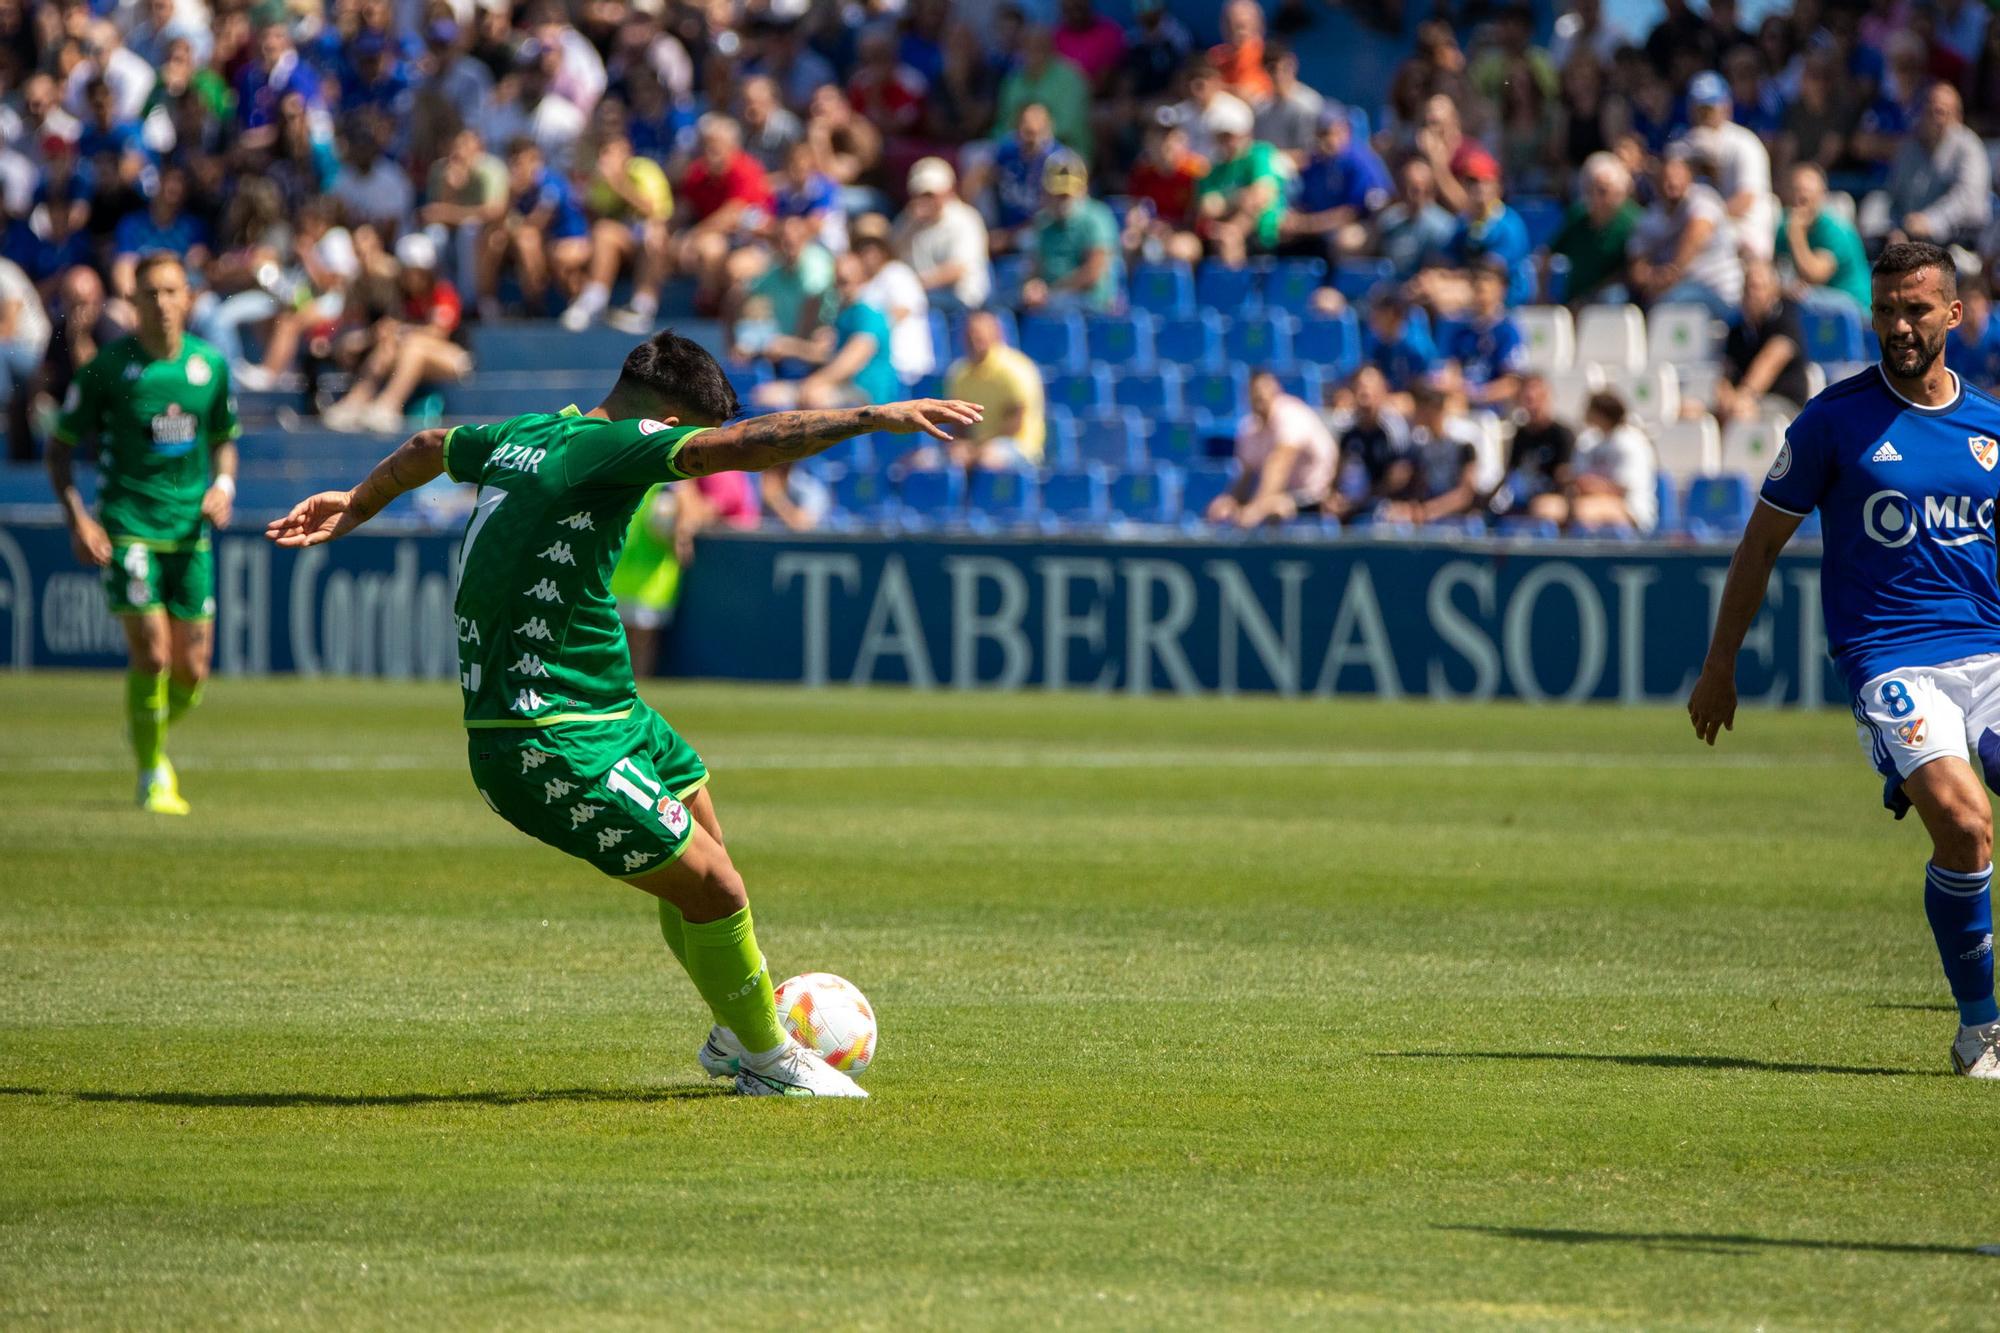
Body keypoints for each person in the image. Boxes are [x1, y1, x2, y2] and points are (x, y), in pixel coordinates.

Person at [266, 327, 982, 1097]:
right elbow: (737, 448)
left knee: (708, 849)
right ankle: (772, 1064)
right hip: (544, 735)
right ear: (668, 424)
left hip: (610, 705)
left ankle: (733, 1029)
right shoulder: (618, 445)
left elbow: (429, 443)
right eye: (687, 440)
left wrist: (359, 501)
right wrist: (872, 417)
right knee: (718, 888)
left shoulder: (530, 434)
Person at [1690, 242, 2000, 1078]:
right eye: (1888, 310)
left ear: (1954, 314)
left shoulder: (1991, 425)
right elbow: (1758, 546)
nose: (1900, 325)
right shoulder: (1832, 421)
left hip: (1993, 653)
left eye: (1917, 309)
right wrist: (1721, 664)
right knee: (1968, 826)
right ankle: (1982, 1028)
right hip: (1892, 657)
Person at [45, 253, 238, 815]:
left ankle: (146, 727)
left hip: (190, 535)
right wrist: (78, 517)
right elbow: (60, 448)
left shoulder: (210, 367)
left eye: (171, 291)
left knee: (191, 672)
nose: (161, 303)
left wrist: (223, 485)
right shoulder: (107, 370)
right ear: (132, 303)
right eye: (149, 293)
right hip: (128, 529)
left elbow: (224, 436)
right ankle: (153, 772)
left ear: (189, 298)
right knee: (152, 655)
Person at [322, 232, 470, 432]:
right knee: (388, 345)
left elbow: (439, 332)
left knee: (412, 345)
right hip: (411, 354)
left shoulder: (443, 292)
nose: (413, 278)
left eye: (419, 272)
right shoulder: (401, 297)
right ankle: (354, 402)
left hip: (455, 358)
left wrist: (400, 330)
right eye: (409, 272)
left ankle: (388, 406)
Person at [750, 252, 900, 409]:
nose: (840, 288)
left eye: (845, 281)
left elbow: (854, 357)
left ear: (863, 279)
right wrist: (792, 347)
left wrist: (816, 382)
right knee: (765, 395)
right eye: (837, 282)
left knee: (814, 397)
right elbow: (827, 354)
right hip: (843, 388)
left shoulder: (869, 311)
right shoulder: (844, 312)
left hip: (868, 394)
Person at [561, 130, 672, 333]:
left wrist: (618, 183)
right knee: (599, 234)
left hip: (650, 247)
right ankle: (593, 300)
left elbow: (655, 212)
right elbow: (596, 219)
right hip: (618, 248)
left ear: (627, 152)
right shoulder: (599, 181)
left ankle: (642, 306)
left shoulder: (645, 169)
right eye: (603, 153)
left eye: (611, 153)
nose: (606, 159)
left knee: (654, 235)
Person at [1207, 367, 1337, 526]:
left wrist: (1257, 509)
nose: (1261, 396)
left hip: (1318, 497)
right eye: (1255, 392)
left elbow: (1279, 464)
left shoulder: (1291, 414)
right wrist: (1230, 501)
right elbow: (1245, 477)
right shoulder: (1248, 427)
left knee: (1275, 509)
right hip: (1284, 496)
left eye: (1265, 390)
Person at [1623, 148, 1742, 318]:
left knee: (1669, 303)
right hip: (1664, 289)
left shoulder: (1704, 199)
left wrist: (1671, 273)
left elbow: (1697, 233)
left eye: (1677, 175)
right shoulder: (1650, 218)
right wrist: (1650, 278)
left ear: (1689, 177)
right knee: (1614, 300)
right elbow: (1637, 264)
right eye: (1666, 177)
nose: (1671, 182)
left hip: (1717, 292)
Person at [481, 136, 590, 319]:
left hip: (570, 240)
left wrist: (511, 226)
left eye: (523, 161)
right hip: (544, 244)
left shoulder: (550, 183)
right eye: (514, 163)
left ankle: (538, 302)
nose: (519, 168)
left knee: (527, 239)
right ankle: (487, 303)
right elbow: (499, 222)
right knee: (494, 239)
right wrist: (511, 194)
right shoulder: (517, 188)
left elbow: (538, 223)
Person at [1679, 69, 1774, 260]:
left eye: (1709, 108)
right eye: (1699, 108)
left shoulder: (1745, 143)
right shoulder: (1684, 145)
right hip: (1699, 229)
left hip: (1744, 228)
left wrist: (1706, 221)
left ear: (1726, 106)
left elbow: (1745, 200)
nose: (1704, 115)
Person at [939, 308, 1046, 469]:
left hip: (1019, 448)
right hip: (975, 447)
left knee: (989, 458)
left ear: (996, 334)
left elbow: (1014, 425)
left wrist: (975, 451)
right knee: (926, 461)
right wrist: (961, 447)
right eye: (970, 334)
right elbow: (958, 424)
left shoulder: (1015, 369)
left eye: (979, 334)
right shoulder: (959, 373)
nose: (974, 339)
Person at [1887, 84, 1991, 247]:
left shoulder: (1969, 147)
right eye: (1929, 111)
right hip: (1913, 239)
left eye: (1941, 112)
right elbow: (1895, 197)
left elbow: (1968, 199)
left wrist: (1931, 221)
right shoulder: (1909, 147)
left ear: (1957, 117)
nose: (1935, 118)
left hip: (1963, 241)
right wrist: (1896, 228)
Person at [1191, 96, 1287, 267]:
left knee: (1229, 238)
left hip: (1261, 232)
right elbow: (1208, 207)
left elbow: (1261, 196)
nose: (1228, 142)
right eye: (1222, 137)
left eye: (1232, 136)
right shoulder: (1212, 168)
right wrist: (1239, 197)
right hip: (1217, 232)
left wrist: (1231, 219)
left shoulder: (1259, 154)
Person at [1020, 154, 1121, 314]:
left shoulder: (1097, 217)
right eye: (1057, 193)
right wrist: (1031, 286)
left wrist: (1052, 292)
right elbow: (1035, 266)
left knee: (1057, 307)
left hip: (1089, 301)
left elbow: (1094, 270)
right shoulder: (1043, 221)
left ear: (1082, 189)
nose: (1063, 199)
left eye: (1067, 193)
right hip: (1051, 299)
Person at [1714, 258, 1808, 423]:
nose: (1752, 294)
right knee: (1690, 412)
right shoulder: (1737, 331)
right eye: (1748, 287)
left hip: (1783, 406)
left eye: (1758, 287)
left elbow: (1768, 364)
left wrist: (1742, 397)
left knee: (1741, 414)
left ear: (1773, 290)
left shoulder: (1786, 320)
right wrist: (1725, 397)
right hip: (1745, 402)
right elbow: (1727, 373)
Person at [894, 157, 991, 313]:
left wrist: (913, 285)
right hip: (922, 296)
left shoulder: (965, 219)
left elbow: (957, 270)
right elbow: (893, 256)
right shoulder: (907, 221)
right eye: (919, 194)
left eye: (930, 194)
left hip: (959, 301)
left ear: (948, 192)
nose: (924, 200)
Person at [1775, 162, 1871, 314]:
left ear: (1822, 195)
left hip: (1853, 310)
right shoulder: (1783, 226)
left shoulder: (1837, 230)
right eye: (1795, 193)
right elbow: (1775, 268)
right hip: (1817, 308)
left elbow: (1814, 276)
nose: (1799, 202)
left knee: (1802, 297)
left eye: (1806, 197)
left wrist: (1796, 236)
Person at [1546, 150, 1639, 306]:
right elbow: (1547, 254)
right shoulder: (1577, 217)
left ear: (1619, 191)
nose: (1595, 196)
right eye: (1590, 188)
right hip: (1575, 298)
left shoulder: (1633, 221)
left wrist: (1591, 295)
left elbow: (1632, 271)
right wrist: (1543, 294)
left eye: (1603, 190)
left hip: (1614, 299)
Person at [1381, 382, 1481, 523]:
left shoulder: (1463, 442)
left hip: (1456, 517)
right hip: (1426, 515)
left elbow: (1465, 494)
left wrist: (1428, 511)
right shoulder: (1418, 445)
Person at [1563, 390, 1657, 531]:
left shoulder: (1631, 442)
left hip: (1631, 510)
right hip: (1588, 501)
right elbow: (1578, 479)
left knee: (1583, 512)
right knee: (1545, 507)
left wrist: (1590, 485)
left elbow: (1622, 489)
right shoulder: (1589, 441)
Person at [1442, 261, 1528, 410]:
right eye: (1476, 279)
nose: (1480, 285)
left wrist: (1477, 395)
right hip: (1459, 405)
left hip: (1490, 412)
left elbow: (1511, 384)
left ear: (1502, 288)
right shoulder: (1459, 328)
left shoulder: (1508, 331)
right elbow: (1451, 369)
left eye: (1487, 279)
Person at [1495, 373, 1573, 518]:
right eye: (1528, 400)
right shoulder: (1521, 434)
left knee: (1541, 509)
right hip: (1523, 497)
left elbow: (1565, 477)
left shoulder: (1562, 434)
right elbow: (1512, 471)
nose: (1533, 405)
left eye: (1537, 399)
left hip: (1551, 499)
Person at [1947, 276, 2000, 390]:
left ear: (1987, 304)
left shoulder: (1997, 337)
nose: (1968, 306)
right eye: (1963, 300)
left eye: (1973, 299)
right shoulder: (1950, 343)